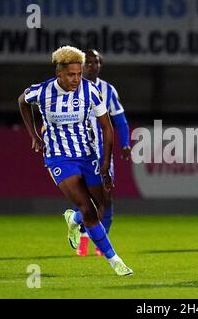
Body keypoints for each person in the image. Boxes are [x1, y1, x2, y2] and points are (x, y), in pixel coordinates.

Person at [18, 46, 133, 276]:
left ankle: (73, 219)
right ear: (59, 74)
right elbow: (22, 100)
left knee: (100, 208)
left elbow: (107, 128)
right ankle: (115, 261)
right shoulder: (43, 91)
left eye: (79, 74)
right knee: (88, 208)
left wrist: (106, 163)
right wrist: (34, 135)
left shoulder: (91, 91)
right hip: (59, 158)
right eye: (71, 74)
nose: (76, 79)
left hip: (88, 155)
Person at [71, 49, 132, 256]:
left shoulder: (108, 90)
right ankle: (82, 235)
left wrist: (125, 144)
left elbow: (120, 120)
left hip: (103, 152)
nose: (92, 65)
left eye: (95, 61)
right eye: (88, 62)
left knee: (105, 198)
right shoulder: (71, 88)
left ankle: (98, 238)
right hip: (78, 152)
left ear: (100, 65)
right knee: (86, 198)